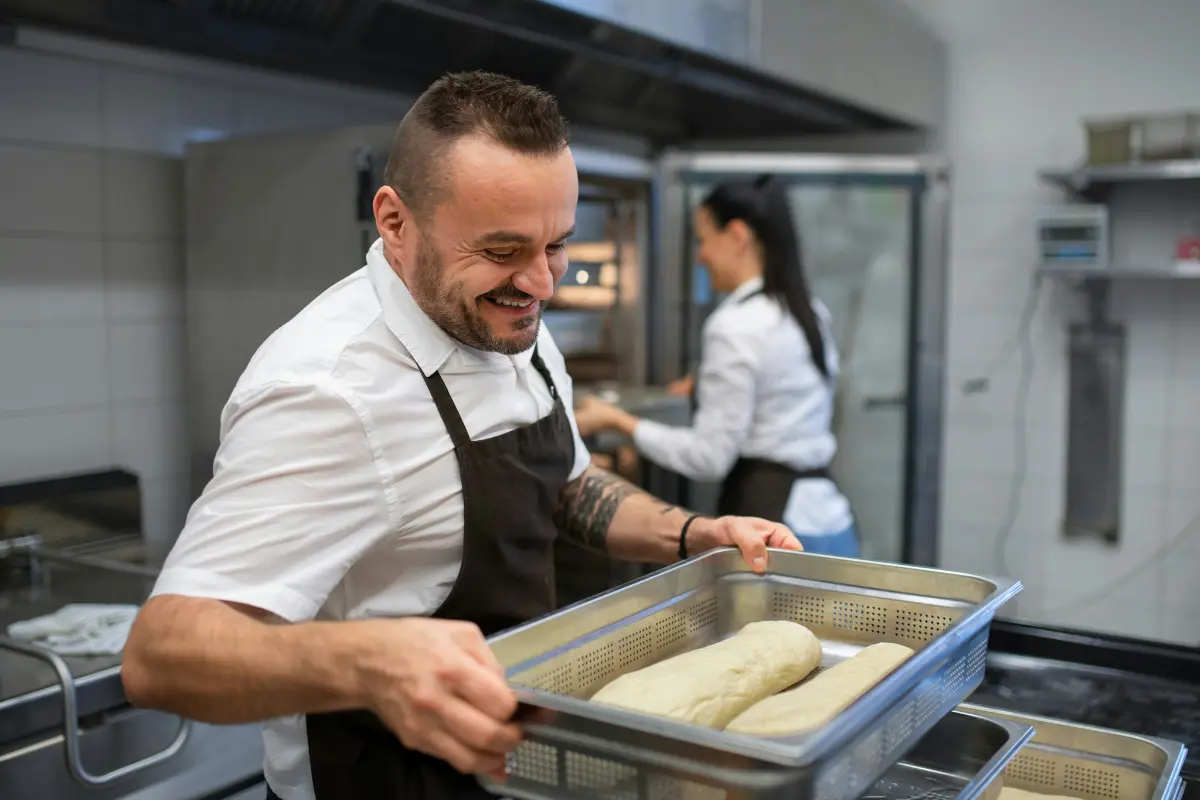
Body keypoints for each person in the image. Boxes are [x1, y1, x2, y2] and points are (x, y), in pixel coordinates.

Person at [120, 72, 799, 800]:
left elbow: (564, 484)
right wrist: (369, 665)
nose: (541, 282)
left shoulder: (517, 330)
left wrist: (693, 531)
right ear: (394, 222)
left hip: (515, 772)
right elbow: (161, 655)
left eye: (558, 245)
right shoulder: (329, 390)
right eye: (503, 251)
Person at [574, 175, 859, 557]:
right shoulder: (808, 310)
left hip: (777, 529)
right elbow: (782, 388)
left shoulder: (734, 326)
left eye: (704, 240)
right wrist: (706, 382)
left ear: (738, 235)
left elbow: (709, 458)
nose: (700, 256)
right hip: (829, 521)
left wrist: (617, 421)